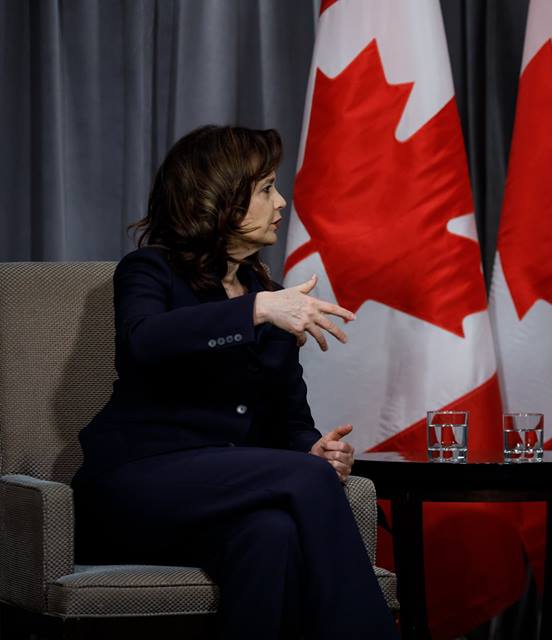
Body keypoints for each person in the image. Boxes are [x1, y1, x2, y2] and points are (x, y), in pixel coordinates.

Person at [72, 125, 398, 639]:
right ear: (219, 199)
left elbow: (289, 420)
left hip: (225, 496)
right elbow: (143, 342)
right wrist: (259, 310)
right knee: (301, 487)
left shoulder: (263, 293)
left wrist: (312, 450)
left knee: (270, 534)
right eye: (267, 189)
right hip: (135, 488)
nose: (282, 202)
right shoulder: (150, 271)